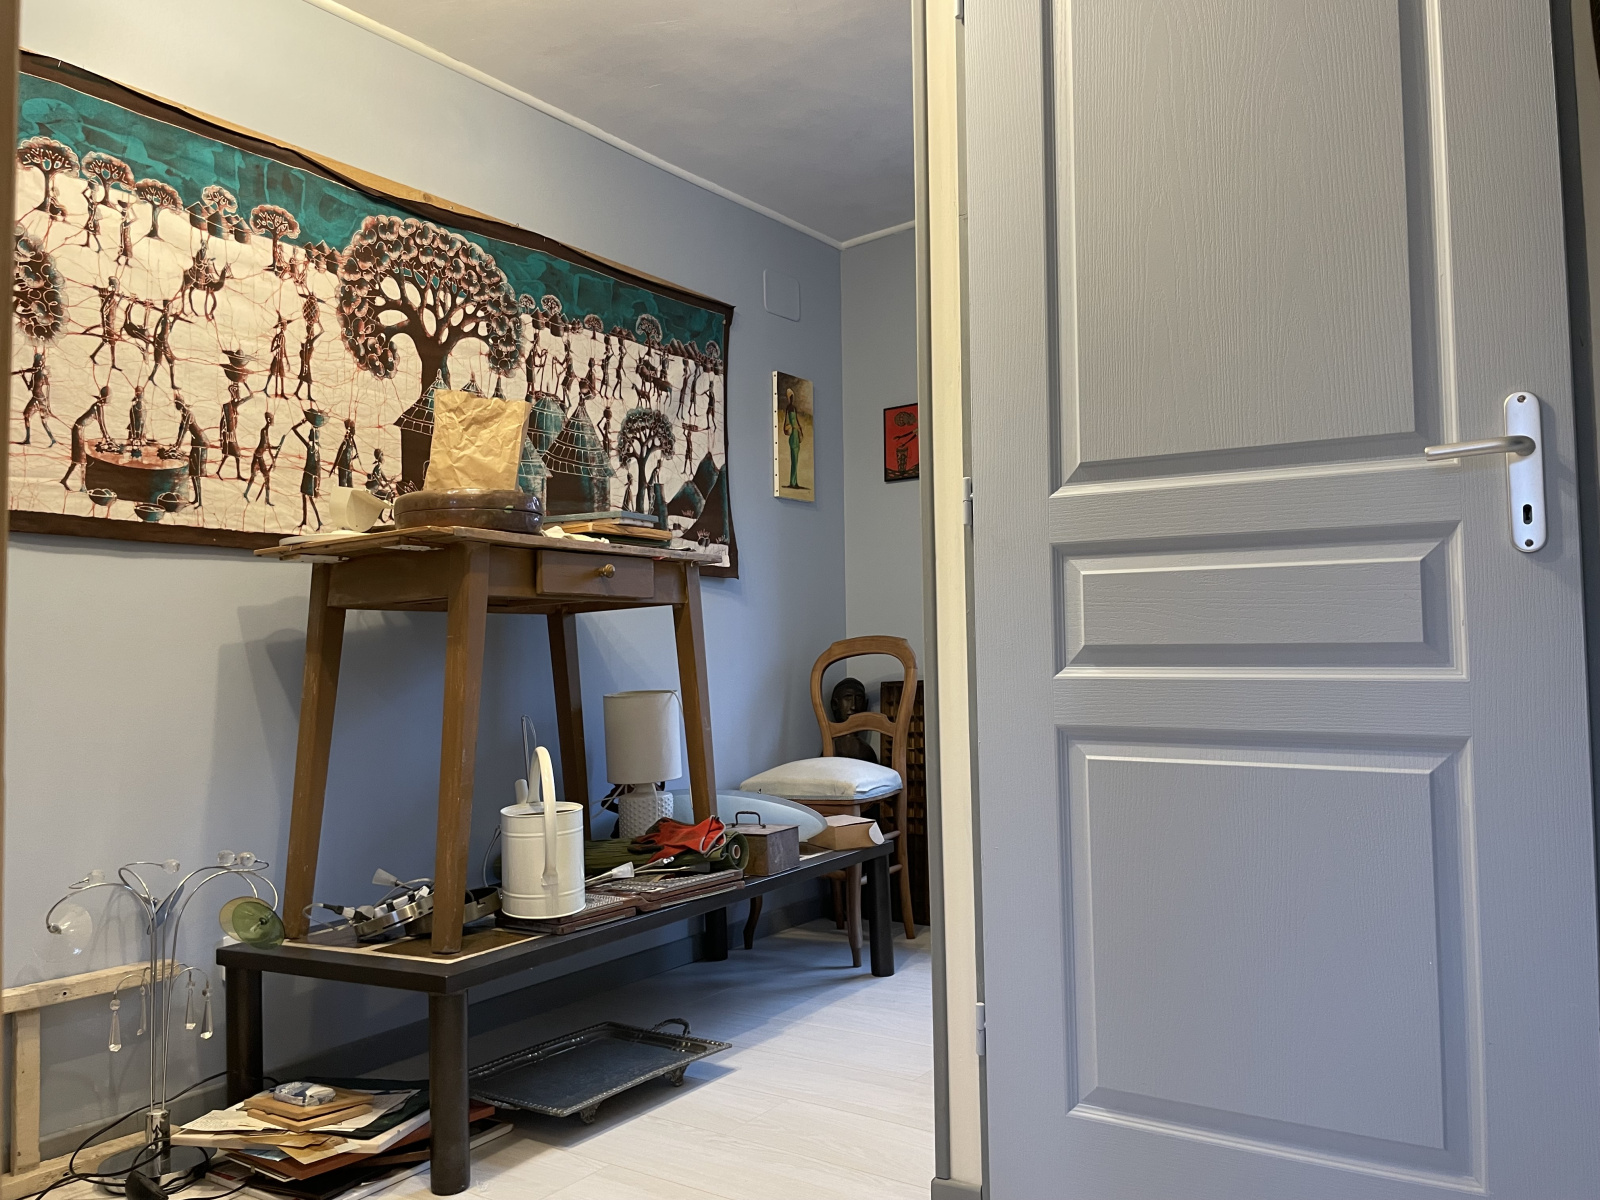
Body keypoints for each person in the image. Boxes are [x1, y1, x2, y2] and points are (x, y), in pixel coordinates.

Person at [60, 388, 110, 489]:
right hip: (78, 430)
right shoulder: (98, 407)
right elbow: (102, 424)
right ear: (106, 397)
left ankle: (65, 480)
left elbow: (102, 425)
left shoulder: (98, 406)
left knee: (77, 459)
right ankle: (82, 486)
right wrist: (107, 437)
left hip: (78, 430)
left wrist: (107, 436)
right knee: (83, 460)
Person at [15, 350, 56, 446]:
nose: (37, 365)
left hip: (41, 400)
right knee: (26, 415)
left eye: (39, 363)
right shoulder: (34, 374)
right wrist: (23, 376)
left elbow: (47, 388)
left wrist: (48, 405)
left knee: (44, 422)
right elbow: (30, 388)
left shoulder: (42, 374)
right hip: (35, 399)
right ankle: (28, 439)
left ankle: (52, 439)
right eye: (36, 363)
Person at [244, 412, 284, 505]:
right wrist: (273, 456)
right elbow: (266, 445)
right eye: (271, 419)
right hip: (257, 457)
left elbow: (267, 446)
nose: (272, 421)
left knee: (265, 477)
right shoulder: (264, 431)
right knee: (255, 477)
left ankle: (266, 499)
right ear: (268, 420)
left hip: (260, 457)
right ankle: (247, 494)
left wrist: (276, 448)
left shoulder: (266, 431)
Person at [290, 415, 322, 529]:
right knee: (305, 496)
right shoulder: (315, 449)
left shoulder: (311, 447)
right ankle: (306, 520)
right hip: (309, 474)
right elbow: (318, 467)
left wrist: (302, 422)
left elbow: (294, 430)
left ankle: (318, 520)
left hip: (310, 476)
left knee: (309, 498)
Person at [217, 387, 247, 479]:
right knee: (236, 454)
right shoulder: (229, 406)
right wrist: (221, 437)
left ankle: (219, 471)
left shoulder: (233, 407)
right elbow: (222, 422)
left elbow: (247, 398)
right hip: (229, 435)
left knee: (228, 455)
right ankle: (238, 474)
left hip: (231, 434)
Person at [328, 418, 361, 488]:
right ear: (349, 430)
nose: (354, 431)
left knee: (350, 486)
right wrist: (333, 467)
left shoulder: (351, 442)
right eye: (353, 428)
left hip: (349, 468)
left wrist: (353, 458)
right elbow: (339, 455)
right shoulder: (345, 442)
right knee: (342, 486)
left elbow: (348, 456)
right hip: (343, 468)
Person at [783, 388, 804, 489]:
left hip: (796, 434)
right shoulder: (789, 408)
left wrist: (800, 430)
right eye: (790, 397)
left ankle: (794, 482)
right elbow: (788, 421)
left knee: (796, 460)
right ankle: (793, 482)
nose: (791, 399)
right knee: (794, 460)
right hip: (793, 436)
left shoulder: (793, 408)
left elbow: (796, 421)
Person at [266, 313, 290, 398]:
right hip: (276, 358)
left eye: (286, 325)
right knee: (272, 373)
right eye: (285, 325)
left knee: (282, 375)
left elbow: (284, 349)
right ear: (281, 326)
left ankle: (282, 392)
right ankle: (266, 388)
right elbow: (272, 349)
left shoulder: (283, 337)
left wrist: (287, 360)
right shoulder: (277, 337)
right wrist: (277, 347)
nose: (286, 327)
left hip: (280, 358)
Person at [293, 331, 319, 403]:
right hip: (305, 366)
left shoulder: (307, 347)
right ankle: (305, 394)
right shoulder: (303, 351)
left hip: (306, 365)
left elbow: (312, 340)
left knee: (305, 380)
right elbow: (312, 340)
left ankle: (302, 393)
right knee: (306, 380)